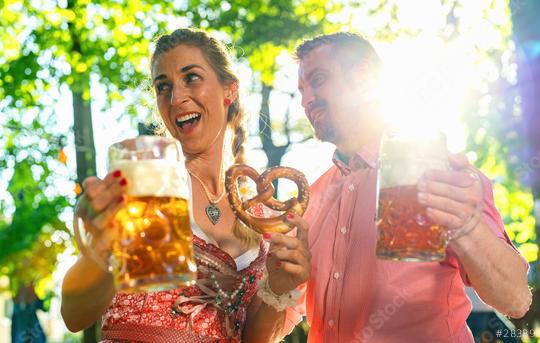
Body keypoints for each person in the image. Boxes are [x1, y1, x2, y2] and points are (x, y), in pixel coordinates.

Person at [61, 28, 310, 342]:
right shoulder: (146, 187)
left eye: (191, 78)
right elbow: (73, 315)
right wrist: (103, 248)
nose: (176, 98)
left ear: (228, 91)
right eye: (163, 86)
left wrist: (278, 287)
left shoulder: (259, 211)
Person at [280, 32, 532, 342]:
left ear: (364, 77)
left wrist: (465, 226)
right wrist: (275, 285)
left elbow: (515, 300)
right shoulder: (310, 200)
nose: (306, 100)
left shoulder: (438, 173)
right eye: (301, 90)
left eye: (317, 80)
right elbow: (281, 318)